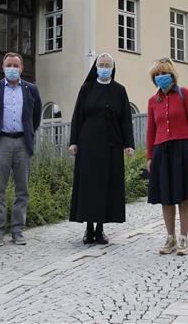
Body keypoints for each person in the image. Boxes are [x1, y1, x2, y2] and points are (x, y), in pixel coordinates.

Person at [68, 53, 135, 244]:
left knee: (106, 187)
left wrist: (129, 144)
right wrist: (73, 142)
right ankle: (88, 229)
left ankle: (100, 229)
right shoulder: (86, 89)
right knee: (89, 187)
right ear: (96, 67)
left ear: (113, 68)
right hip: (88, 145)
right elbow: (77, 117)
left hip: (111, 146)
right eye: (101, 64)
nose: (104, 67)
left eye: (108, 65)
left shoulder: (119, 90)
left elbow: (126, 121)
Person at [0, 52, 42, 247]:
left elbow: (36, 116)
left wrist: (29, 134)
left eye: (16, 65)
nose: (13, 68)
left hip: (23, 142)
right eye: (9, 65)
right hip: (2, 143)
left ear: (22, 68)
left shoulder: (31, 89)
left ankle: (18, 231)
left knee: (22, 190)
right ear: (3, 67)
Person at [146, 58, 188, 255]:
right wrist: (150, 156)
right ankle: (170, 237)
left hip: (183, 149)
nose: (160, 77)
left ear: (172, 74)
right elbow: (151, 130)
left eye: (164, 73)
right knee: (166, 197)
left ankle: (184, 237)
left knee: (184, 196)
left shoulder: (185, 94)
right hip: (161, 150)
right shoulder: (153, 101)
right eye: (157, 75)